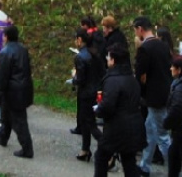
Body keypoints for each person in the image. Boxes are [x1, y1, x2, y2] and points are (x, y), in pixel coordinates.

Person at [94, 44, 145, 177]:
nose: (107, 59)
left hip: (117, 127)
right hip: (134, 124)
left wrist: (99, 110)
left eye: (108, 57)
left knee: (101, 157)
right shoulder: (132, 78)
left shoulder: (112, 80)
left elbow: (108, 105)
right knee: (128, 160)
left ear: (113, 60)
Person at [133, 16, 173, 177]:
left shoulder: (145, 48)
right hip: (165, 92)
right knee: (150, 130)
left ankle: (174, 169)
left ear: (140, 29)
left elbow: (140, 74)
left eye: (135, 30)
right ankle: (144, 165)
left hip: (154, 97)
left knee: (163, 136)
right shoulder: (163, 46)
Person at [0, 25, 34, 159]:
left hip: (12, 91)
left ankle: (27, 148)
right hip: (23, 88)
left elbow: (2, 76)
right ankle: (2, 137)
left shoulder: (4, 53)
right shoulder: (23, 50)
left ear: (6, 37)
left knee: (19, 121)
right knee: (6, 115)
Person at [72, 28, 106, 162]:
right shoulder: (95, 53)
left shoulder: (80, 57)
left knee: (90, 123)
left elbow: (80, 79)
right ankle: (85, 149)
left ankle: (108, 149)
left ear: (80, 40)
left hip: (85, 94)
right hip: (96, 91)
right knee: (86, 122)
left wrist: (74, 76)